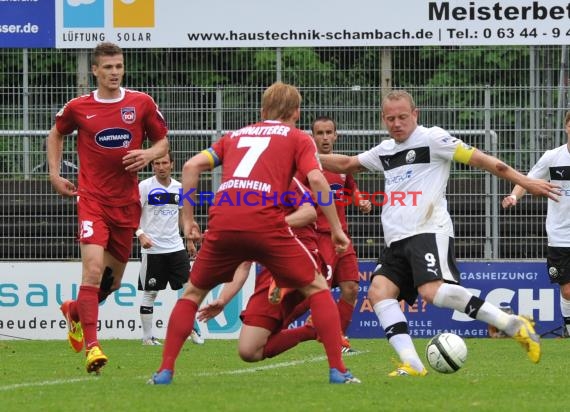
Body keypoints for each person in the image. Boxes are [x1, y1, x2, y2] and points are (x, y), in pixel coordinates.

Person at [319, 90, 560, 376]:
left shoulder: (433, 139)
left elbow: (486, 161)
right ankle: (413, 363)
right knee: (379, 292)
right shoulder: (384, 151)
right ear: (383, 120)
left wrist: (526, 182)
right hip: (396, 239)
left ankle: (512, 325)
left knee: (430, 291)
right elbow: (346, 164)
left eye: (403, 117)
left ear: (415, 114)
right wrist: (306, 152)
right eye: (390, 118)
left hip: (428, 230)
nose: (397, 123)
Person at [148, 81, 360, 385]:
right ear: (296, 113)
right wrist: (337, 229)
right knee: (318, 288)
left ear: (262, 110)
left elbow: (192, 165)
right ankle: (338, 370)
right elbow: (316, 178)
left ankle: (165, 370)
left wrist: (188, 221)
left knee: (193, 294)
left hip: (223, 219)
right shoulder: (298, 138)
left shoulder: (234, 136)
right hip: (266, 222)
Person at [47, 42, 169, 375]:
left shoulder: (140, 103)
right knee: (92, 269)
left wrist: (148, 154)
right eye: (108, 67)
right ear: (95, 71)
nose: (115, 72)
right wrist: (55, 174)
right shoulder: (79, 107)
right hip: (91, 200)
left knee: (110, 285)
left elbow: (163, 141)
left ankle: (74, 310)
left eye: (119, 66)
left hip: (126, 204)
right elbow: (55, 134)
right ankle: (93, 348)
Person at [197, 177, 327, 363]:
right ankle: (310, 330)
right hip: (271, 271)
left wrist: (273, 226)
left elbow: (309, 213)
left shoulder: (287, 180)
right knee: (249, 351)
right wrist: (223, 300)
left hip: (302, 256)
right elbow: (243, 265)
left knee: (311, 281)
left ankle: (288, 282)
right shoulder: (247, 199)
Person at [502, 111, 570, 337]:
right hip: (560, 235)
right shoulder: (553, 157)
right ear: (566, 127)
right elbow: (527, 181)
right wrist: (514, 196)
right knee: (568, 290)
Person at [310, 116, 372, 352]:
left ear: (336, 136)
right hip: (318, 236)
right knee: (318, 293)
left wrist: (361, 201)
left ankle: (338, 339)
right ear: (312, 136)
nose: (325, 137)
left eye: (329, 132)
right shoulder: (307, 166)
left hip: (341, 236)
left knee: (352, 288)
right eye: (320, 133)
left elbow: (350, 189)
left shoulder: (341, 166)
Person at [137, 152, 204, 346]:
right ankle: (147, 337)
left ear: (172, 165)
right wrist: (140, 233)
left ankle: (191, 329)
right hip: (153, 250)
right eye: (156, 163)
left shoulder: (179, 188)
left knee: (188, 291)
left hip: (176, 248)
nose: (161, 166)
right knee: (151, 293)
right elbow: (132, 214)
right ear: (152, 166)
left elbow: (183, 216)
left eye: (164, 162)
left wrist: (188, 240)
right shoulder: (144, 187)